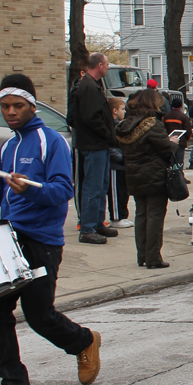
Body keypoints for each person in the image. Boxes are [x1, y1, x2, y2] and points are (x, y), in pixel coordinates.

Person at [0, 74, 101, 385]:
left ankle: (84, 341)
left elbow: (62, 191)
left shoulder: (50, 141)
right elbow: (1, 190)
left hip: (42, 242)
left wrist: (31, 189)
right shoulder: (8, 145)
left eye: (17, 105)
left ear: (32, 105)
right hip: (8, 240)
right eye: (5, 106)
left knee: (39, 316)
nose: (10, 111)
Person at [116, 89, 179, 269]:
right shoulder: (153, 124)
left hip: (133, 174)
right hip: (154, 174)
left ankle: (142, 255)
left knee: (141, 214)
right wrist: (173, 143)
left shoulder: (125, 125)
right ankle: (153, 257)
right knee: (155, 216)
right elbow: (165, 150)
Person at [74, 52, 118, 244]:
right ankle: (88, 228)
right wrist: (108, 134)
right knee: (93, 186)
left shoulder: (92, 85)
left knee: (101, 185)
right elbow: (91, 118)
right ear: (99, 65)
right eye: (107, 65)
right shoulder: (88, 87)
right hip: (94, 144)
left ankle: (98, 223)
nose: (108, 68)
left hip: (99, 144)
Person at [66, 58, 88, 229]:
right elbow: (71, 118)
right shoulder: (78, 90)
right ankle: (82, 217)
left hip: (90, 141)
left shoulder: (92, 89)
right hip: (81, 141)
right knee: (80, 178)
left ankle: (92, 216)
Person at [107, 97, 133, 228]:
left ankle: (123, 215)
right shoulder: (111, 126)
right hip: (115, 165)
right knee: (116, 192)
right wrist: (121, 158)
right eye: (122, 109)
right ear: (114, 110)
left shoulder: (121, 125)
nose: (124, 112)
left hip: (122, 165)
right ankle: (116, 217)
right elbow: (110, 147)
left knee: (124, 192)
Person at [163, 97, 193, 183]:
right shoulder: (183, 117)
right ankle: (179, 177)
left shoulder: (166, 116)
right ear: (180, 106)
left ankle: (170, 176)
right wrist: (186, 139)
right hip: (180, 143)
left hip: (169, 142)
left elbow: (163, 128)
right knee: (179, 161)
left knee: (171, 160)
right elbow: (188, 130)